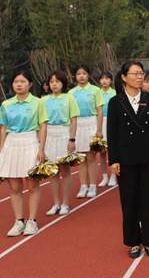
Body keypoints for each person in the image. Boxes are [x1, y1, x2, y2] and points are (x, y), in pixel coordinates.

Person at [108, 61, 149, 258]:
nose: (140, 77)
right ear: (124, 77)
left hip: (148, 156)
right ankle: (133, 241)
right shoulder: (115, 102)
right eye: (136, 74)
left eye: (141, 73)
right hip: (125, 159)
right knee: (129, 201)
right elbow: (112, 133)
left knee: (148, 200)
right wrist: (113, 159)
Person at [0, 71, 48, 236]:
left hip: (30, 142)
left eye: (22, 81)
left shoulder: (37, 102)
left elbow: (43, 125)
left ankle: (32, 221)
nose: (19, 84)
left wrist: (41, 148)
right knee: (14, 186)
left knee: (32, 184)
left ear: (30, 84)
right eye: (15, 82)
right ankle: (19, 221)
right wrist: (1, 150)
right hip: (11, 143)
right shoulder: (6, 104)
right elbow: (3, 128)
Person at [42, 70, 79, 216]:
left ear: (63, 83)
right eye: (51, 82)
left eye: (57, 81)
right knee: (52, 172)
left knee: (64, 170)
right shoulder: (43, 100)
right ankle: (56, 203)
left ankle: (65, 203)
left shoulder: (69, 98)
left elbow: (74, 119)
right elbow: (41, 123)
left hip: (64, 133)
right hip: (49, 135)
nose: (54, 84)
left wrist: (72, 139)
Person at [69, 65, 104, 199]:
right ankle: (84, 185)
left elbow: (99, 111)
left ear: (88, 75)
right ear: (75, 76)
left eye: (84, 73)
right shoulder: (71, 93)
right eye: (78, 74)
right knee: (80, 158)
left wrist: (99, 130)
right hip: (77, 124)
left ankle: (93, 185)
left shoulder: (95, 90)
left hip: (91, 123)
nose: (81, 76)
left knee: (91, 156)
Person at [99, 72, 118, 187]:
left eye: (107, 79)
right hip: (100, 122)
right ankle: (104, 176)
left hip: (111, 121)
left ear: (111, 81)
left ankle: (113, 175)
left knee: (112, 150)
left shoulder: (115, 93)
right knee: (102, 152)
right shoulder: (97, 93)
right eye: (102, 78)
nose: (104, 81)